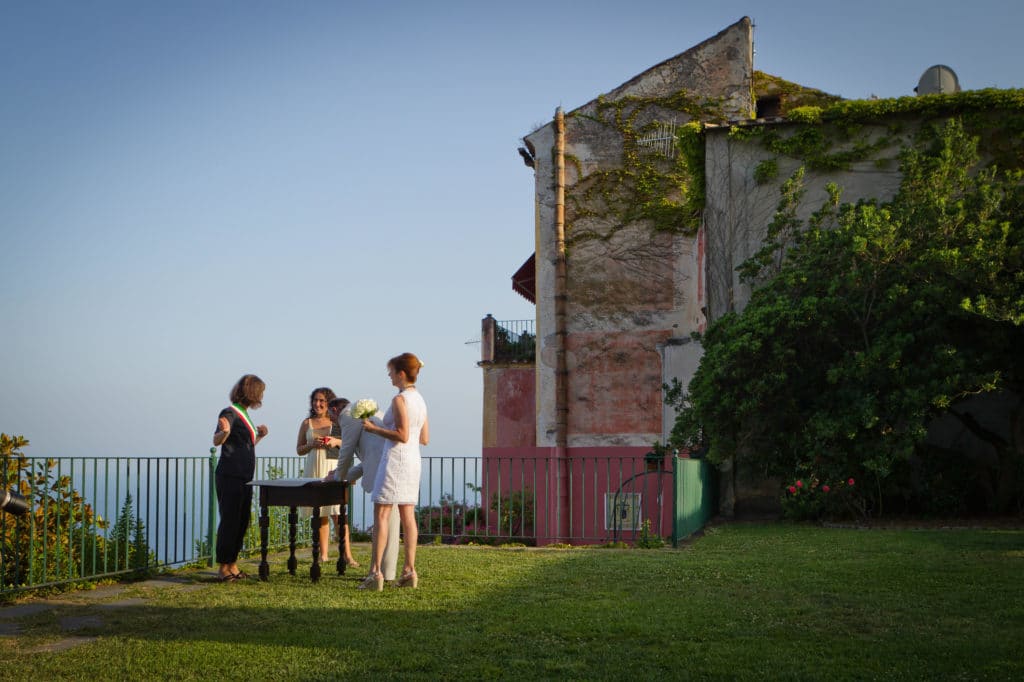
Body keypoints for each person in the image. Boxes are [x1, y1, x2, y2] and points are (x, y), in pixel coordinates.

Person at [359, 352, 429, 591]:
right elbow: (424, 438)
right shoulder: (420, 400)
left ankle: (375, 573)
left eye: (390, 372)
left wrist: (373, 428)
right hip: (413, 462)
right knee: (408, 515)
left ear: (400, 373)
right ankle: (409, 570)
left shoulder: (400, 400)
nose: (388, 376)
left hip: (395, 461)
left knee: (381, 514)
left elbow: (402, 435)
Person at [323, 396, 400, 580]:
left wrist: (338, 477)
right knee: (391, 522)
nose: (333, 422)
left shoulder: (347, 416)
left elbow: (346, 450)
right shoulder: (360, 414)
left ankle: (380, 573)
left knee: (385, 522)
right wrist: (340, 476)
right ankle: (385, 571)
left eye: (330, 416)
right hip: (388, 464)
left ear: (335, 410)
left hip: (383, 467)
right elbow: (364, 461)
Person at [212, 374, 268, 583]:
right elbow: (217, 440)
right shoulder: (229, 413)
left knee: (242, 520)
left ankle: (232, 564)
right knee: (230, 520)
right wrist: (224, 432)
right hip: (230, 475)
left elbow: (245, 446)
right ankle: (223, 567)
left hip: (244, 477)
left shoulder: (244, 414)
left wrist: (260, 435)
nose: (261, 396)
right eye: (260, 392)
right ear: (252, 392)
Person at [296, 386, 341, 563]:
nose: (318, 403)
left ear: (329, 402)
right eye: (315, 400)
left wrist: (332, 441)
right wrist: (311, 445)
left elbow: (345, 444)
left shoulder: (335, 421)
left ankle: (346, 554)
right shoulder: (307, 423)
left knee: (338, 513)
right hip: (314, 468)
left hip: (332, 467)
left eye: (322, 400)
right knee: (320, 513)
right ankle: (323, 555)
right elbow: (299, 449)